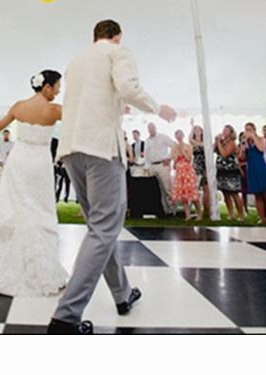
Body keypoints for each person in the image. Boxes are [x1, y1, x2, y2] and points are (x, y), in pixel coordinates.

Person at [48, 19, 176, 333]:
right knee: (104, 229)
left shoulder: (76, 61)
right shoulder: (117, 52)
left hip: (72, 149)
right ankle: (66, 317)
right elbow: (128, 88)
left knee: (99, 228)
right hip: (102, 148)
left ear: (94, 36)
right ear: (117, 36)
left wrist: (117, 107)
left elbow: (93, 99)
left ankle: (122, 294)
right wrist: (159, 108)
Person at [0, 70, 68, 297]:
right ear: (47, 87)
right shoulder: (55, 110)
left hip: (18, 160)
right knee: (40, 210)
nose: (58, 91)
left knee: (14, 208)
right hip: (40, 162)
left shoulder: (19, 106)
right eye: (57, 87)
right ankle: (41, 270)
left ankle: (8, 266)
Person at [145, 122, 175, 215]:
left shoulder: (162, 137)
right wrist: (147, 167)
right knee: (157, 189)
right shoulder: (147, 141)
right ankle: (164, 211)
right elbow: (146, 155)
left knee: (167, 189)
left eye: (152, 127)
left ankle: (172, 210)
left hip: (162, 165)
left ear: (155, 128)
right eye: (149, 128)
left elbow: (174, 145)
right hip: (152, 166)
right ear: (148, 130)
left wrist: (169, 158)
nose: (151, 129)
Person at [244, 122, 266, 223]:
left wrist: (253, 137)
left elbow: (261, 149)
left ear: (254, 130)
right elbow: (243, 157)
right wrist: (243, 145)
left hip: (260, 167)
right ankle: (262, 217)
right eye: (246, 129)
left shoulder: (260, 139)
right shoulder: (246, 142)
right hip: (251, 169)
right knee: (257, 194)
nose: (248, 131)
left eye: (250, 129)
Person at [215, 125, 244, 221]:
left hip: (230, 171)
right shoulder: (222, 142)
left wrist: (219, 143)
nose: (224, 131)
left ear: (231, 133)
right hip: (222, 170)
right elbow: (214, 150)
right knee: (225, 193)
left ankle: (241, 214)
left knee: (234, 193)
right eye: (224, 129)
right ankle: (231, 214)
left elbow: (224, 154)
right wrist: (216, 141)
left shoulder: (232, 143)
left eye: (227, 130)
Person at [171, 129, 198, 220]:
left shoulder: (188, 146)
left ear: (183, 135)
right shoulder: (174, 148)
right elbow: (174, 161)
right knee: (182, 195)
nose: (178, 136)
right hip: (179, 172)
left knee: (192, 194)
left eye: (180, 134)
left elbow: (189, 159)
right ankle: (187, 215)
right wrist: (176, 153)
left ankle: (199, 213)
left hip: (187, 171)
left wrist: (181, 150)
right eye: (176, 135)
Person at [189, 124, 211, 218]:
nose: (197, 131)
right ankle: (198, 211)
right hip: (196, 166)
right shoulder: (192, 142)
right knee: (195, 188)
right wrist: (192, 127)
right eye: (195, 130)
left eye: (199, 130)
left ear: (202, 131)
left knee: (206, 188)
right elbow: (190, 139)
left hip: (205, 166)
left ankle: (207, 210)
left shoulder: (206, 141)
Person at [51, 137, 71, 202]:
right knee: (57, 184)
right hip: (57, 168)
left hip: (60, 169)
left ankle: (58, 197)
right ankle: (56, 197)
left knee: (59, 185)